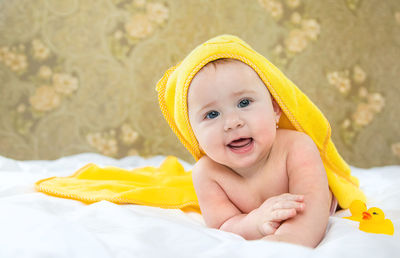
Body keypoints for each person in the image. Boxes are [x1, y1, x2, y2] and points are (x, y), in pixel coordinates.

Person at [156, 35, 365, 248]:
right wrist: (255, 222)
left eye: (244, 102)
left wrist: (286, 242)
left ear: (275, 109)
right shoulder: (208, 174)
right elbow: (224, 225)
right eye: (211, 114)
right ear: (193, 134)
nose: (232, 122)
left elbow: (311, 207)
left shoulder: (296, 148)